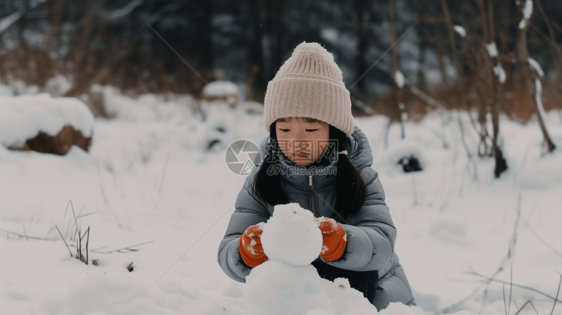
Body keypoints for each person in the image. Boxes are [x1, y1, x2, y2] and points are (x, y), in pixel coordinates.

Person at [217, 41, 416, 311]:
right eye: (284, 130)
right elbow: (228, 247)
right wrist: (245, 251)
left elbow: (382, 242)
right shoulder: (261, 179)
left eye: (310, 131)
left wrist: (342, 242)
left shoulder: (360, 175)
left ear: (333, 131)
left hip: (368, 298)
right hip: (298, 300)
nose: (296, 142)